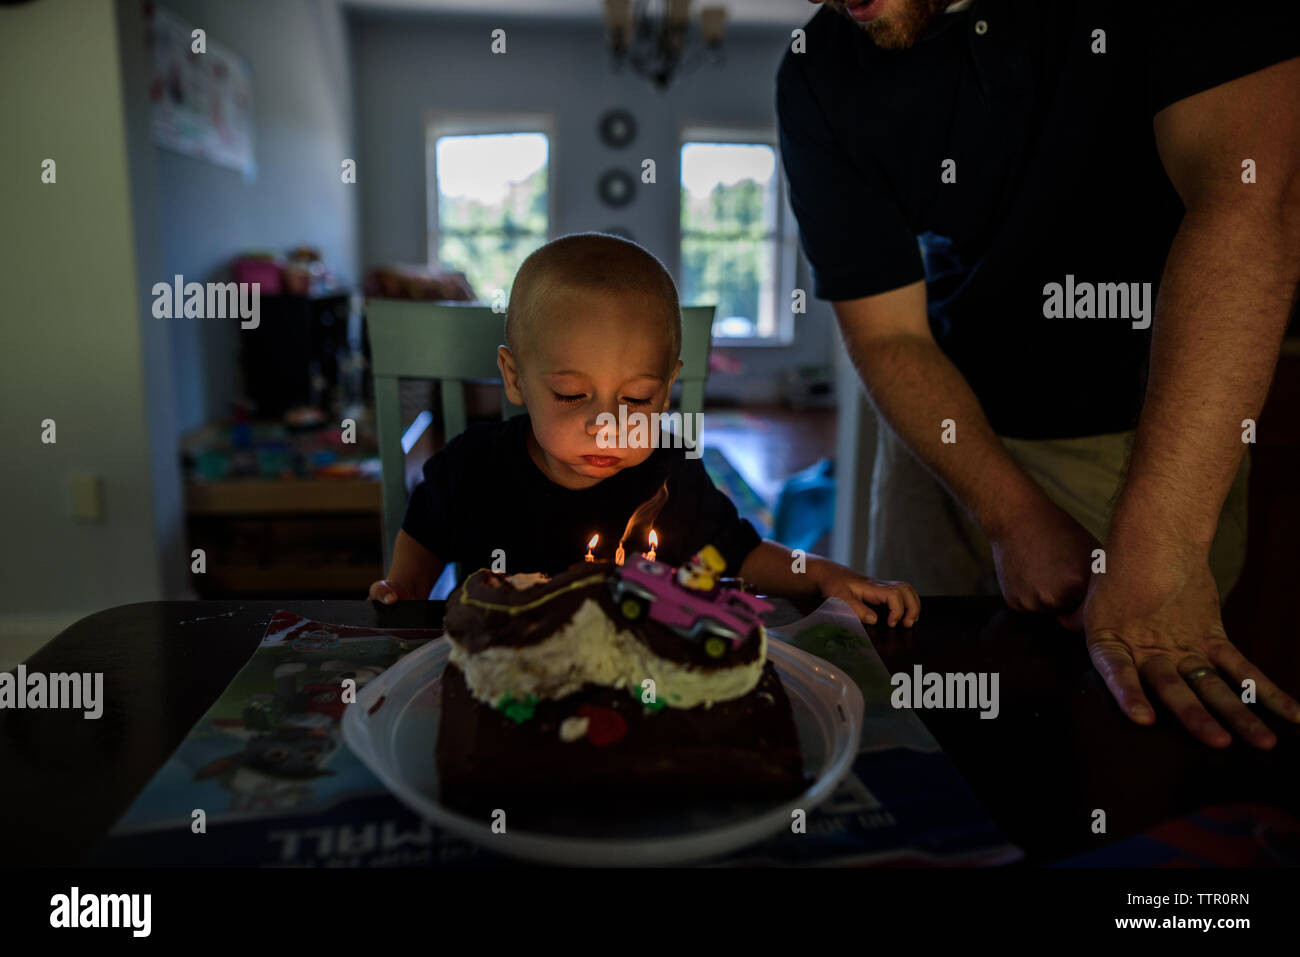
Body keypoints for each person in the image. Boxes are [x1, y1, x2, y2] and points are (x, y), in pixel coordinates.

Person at [777, 0, 1300, 747]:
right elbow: (887, 332)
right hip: (939, 442)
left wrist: (1158, 547)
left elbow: (1250, 202)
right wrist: (1010, 514)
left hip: (1147, 442)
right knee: (924, 730)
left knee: (1121, 752)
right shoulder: (816, 68)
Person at [369, 232, 921, 629]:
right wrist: (405, 589)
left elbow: (740, 554)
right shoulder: (471, 470)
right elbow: (424, 537)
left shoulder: (670, 473)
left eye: (636, 398)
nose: (608, 424)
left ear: (668, 388)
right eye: (570, 395)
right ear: (515, 378)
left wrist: (823, 574)